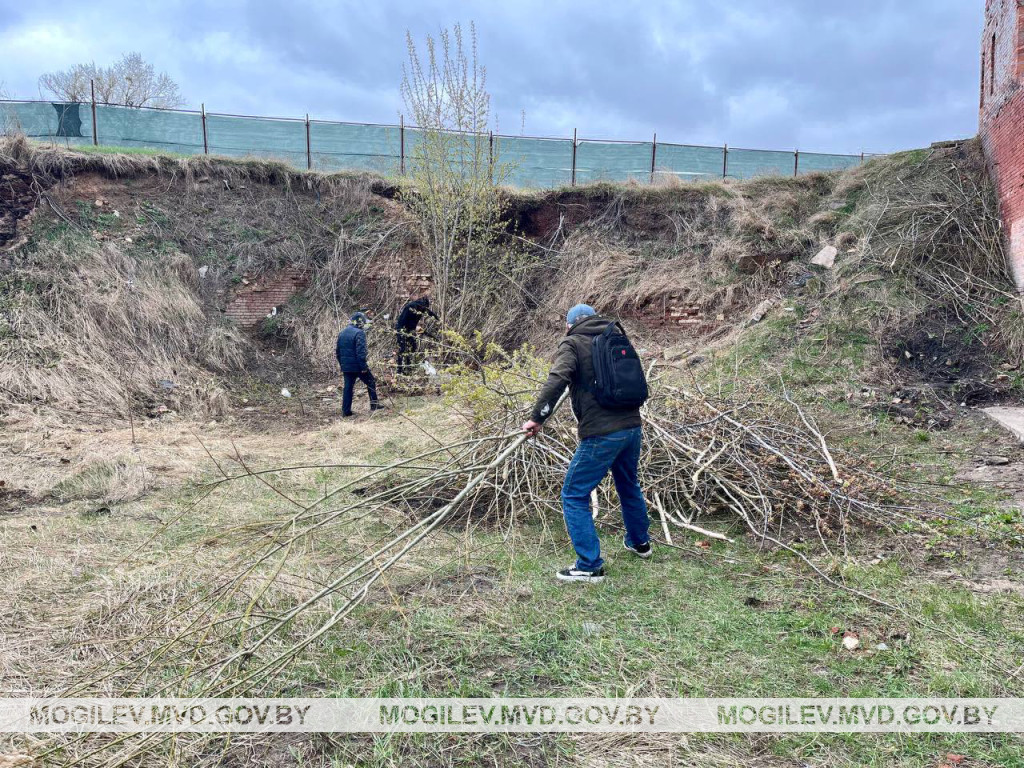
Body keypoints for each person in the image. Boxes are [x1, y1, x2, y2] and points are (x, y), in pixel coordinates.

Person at [522, 304, 651, 583]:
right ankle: (640, 543)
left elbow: (557, 379)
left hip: (602, 432)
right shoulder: (616, 335)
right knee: (629, 484)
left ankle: (589, 565)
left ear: (569, 325)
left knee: (573, 494)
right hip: (631, 426)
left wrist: (536, 418)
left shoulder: (573, 342)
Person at [335, 312, 381, 418]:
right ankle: (374, 405)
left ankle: (346, 412)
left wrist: (342, 365)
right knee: (371, 382)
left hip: (346, 366)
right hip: (358, 366)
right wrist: (363, 367)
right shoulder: (359, 333)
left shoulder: (342, 333)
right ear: (360, 322)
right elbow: (361, 352)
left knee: (348, 388)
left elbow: (337, 352)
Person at [394, 296, 439, 375]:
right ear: (420, 305)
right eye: (423, 307)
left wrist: (439, 319)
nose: (424, 309)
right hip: (402, 329)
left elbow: (430, 313)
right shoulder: (411, 307)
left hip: (410, 330)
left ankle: (408, 366)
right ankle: (399, 370)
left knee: (412, 347)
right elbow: (403, 320)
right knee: (402, 349)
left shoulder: (422, 308)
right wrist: (412, 329)